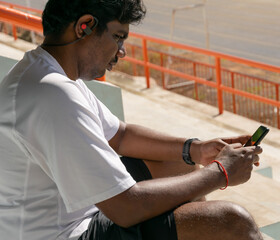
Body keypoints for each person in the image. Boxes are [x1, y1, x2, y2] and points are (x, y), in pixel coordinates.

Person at [0, 0, 264, 239]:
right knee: (233, 222)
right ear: (84, 26)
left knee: (180, 164)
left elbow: (121, 135)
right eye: (117, 37)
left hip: (77, 215)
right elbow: (126, 208)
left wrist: (197, 149)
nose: (122, 51)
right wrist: (221, 172)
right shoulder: (51, 94)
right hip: (63, 234)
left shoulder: (47, 73)